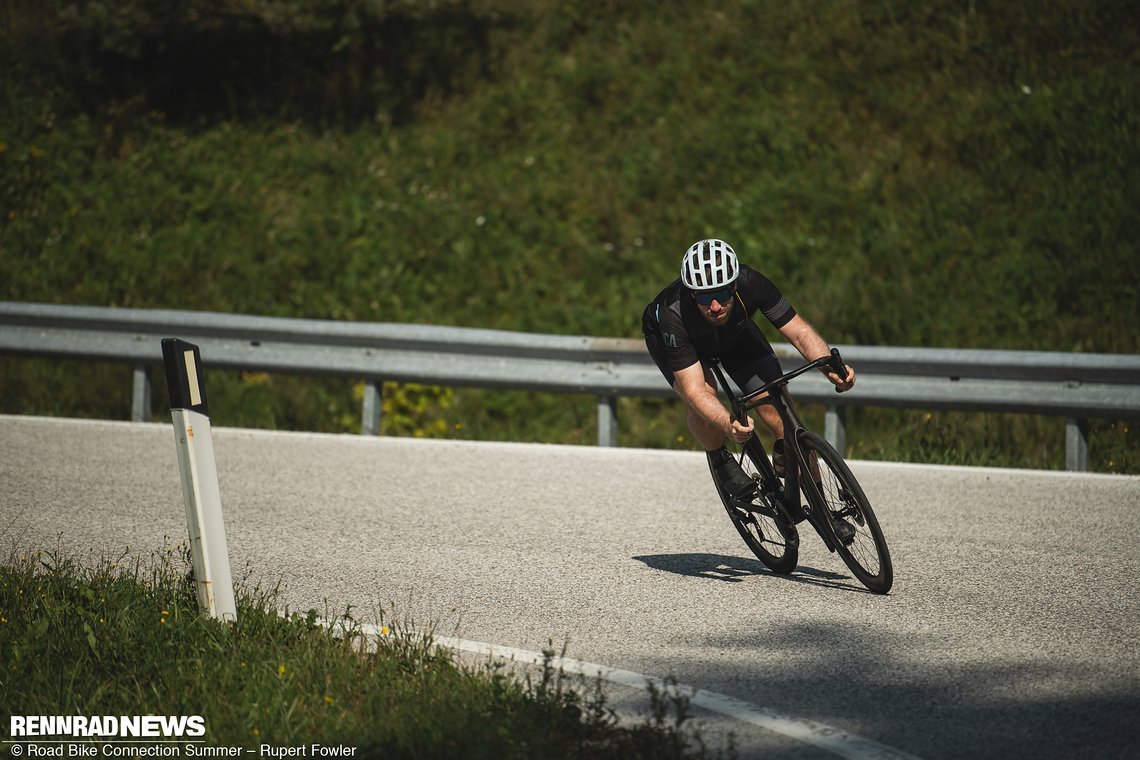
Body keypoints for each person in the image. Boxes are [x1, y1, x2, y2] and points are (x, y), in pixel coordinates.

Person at [641, 238, 856, 517]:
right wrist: (727, 424)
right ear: (691, 294)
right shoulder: (673, 314)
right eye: (704, 297)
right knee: (704, 398)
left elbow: (800, 333)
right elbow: (695, 391)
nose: (716, 306)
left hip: (734, 336)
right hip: (679, 342)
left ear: (734, 286)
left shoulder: (752, 283)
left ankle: (823, 509)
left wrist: (830, 368)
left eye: (722, 294)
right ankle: (719, 456)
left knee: (780, 412)